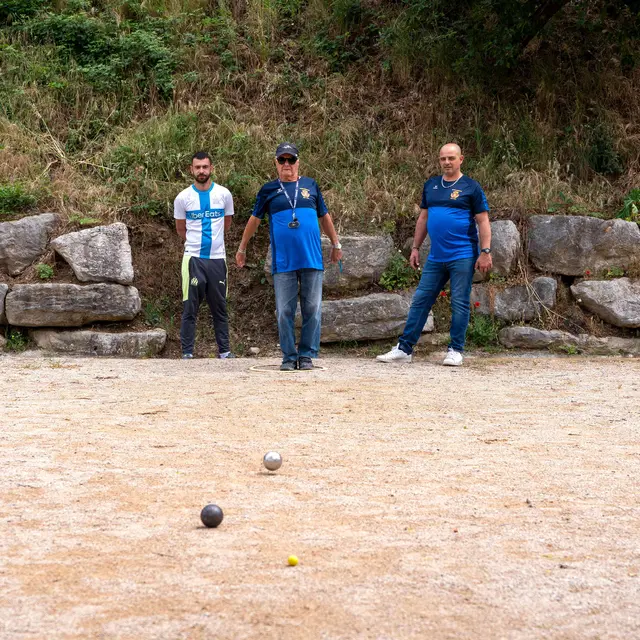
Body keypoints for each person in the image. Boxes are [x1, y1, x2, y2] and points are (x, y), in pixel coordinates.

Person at [377, 143, 492, 366]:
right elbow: (423, 219)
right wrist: (415, 248)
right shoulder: (431, 186)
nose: (447, 162)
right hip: (436, 257)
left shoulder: (471, 187)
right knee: (421, 300)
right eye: (443, 159)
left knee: (459, 302)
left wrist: (485, 251)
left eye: (451, 158)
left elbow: (483, 221)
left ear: (461, 159)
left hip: (463, 254)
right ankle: (404, 349)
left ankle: (455, 350)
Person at [235, 142, 342, 371]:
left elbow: (324, 216)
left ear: (297, 162)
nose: (286, 164)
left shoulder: (310, 185)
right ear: (275, 163)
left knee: (312, 308)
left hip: (311, 258)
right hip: (283, 261)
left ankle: (306, 355)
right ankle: (288, 356)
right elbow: (254, 220)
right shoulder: (268, 190)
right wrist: (242, 247)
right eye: (282, 160)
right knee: (284, 310)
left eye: (290, 160)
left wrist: (336, 243)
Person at [174, 151, 235, 359]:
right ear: (191, 170)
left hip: (218, 259)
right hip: (193, 258)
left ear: (211, 168)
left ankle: (225, 352)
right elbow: (181, 229)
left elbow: (227, 225)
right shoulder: (183, 198)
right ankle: (187, 352)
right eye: (197, 167)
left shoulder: (224, 194)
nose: (201, 171)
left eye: (205, 167)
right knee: (190, 307)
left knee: (220, 307)